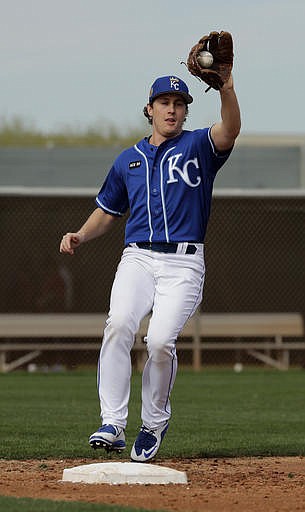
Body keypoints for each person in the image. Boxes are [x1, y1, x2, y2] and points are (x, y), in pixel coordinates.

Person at [59, 73, 241, 462]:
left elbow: (230, 129)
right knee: (119, 323)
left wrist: (226, 87)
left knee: (159, 341)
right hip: (138, 257)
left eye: (179, 103)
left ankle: (153, 424)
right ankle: (112, 423)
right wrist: (80, 234)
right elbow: (108, 212)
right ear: (149, 109)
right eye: (164, 102)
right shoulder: (129, 160)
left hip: (183, 262)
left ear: (186, 111)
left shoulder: (198, 145)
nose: (172, 109)